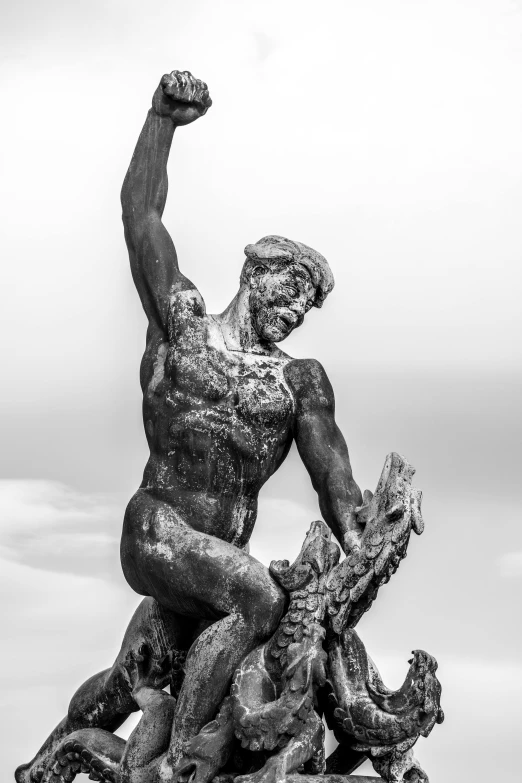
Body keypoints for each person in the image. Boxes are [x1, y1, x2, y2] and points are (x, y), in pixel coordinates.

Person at [15, 70, 365, 783]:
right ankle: (186, 763)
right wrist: (161, 123)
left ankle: (38, 767)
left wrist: (362, 531)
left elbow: (336, 477)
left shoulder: (299, 382)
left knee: (127, 679)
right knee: (262, 598)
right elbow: (140, 216)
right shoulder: (183, 324)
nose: (297, 312)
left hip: (209, 569)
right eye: (291, 289)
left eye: (307, 305)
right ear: (257, 273)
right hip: (157, 532)